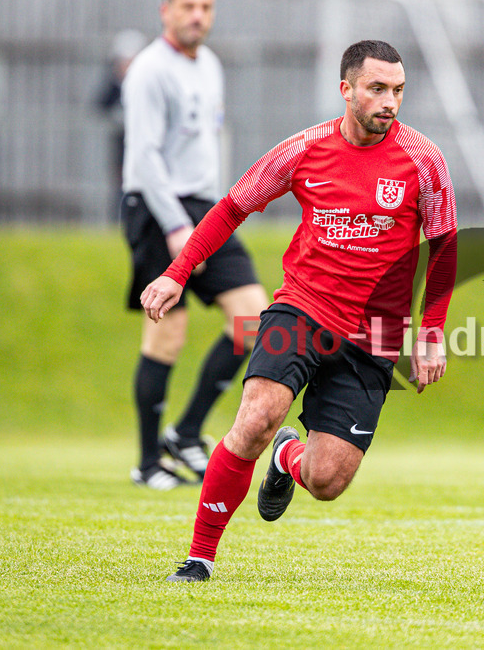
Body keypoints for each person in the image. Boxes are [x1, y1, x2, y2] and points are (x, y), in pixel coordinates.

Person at [140, 39, 459, 582]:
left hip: (374, 337)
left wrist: (430, 332)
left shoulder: (424, 161)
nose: (390, 101)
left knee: (328, 481)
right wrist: (176, 273)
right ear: (347, 90)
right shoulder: (303, 150)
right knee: (257, 417)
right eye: (377, 89)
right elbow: (232, 207)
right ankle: (199, 558)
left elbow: (446, 248)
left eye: (398, 90)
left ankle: (288, 457)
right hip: (302, 311)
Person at [121, 0, 268, 490]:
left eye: (205, 7)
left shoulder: (209, 65)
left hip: (207, 207)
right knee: (167, 333)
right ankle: (146, 462)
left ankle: (184, 432)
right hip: (159, 208)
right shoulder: (148, 71)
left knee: (254, 320)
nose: (197, 16)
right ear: (166, 10)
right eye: (187, 6)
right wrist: (177, 225)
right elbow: (143, 157)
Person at [96, 28, 146, 223]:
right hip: (122, 146)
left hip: (144, 146)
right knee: (121, 186)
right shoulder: (113, 85)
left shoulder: (146, 84)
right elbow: (100, 105)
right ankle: (118, 222)